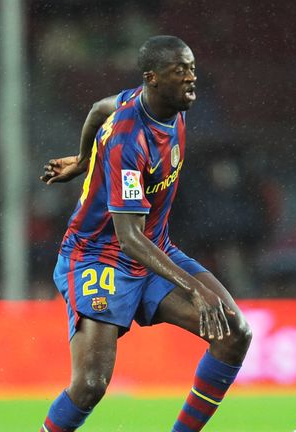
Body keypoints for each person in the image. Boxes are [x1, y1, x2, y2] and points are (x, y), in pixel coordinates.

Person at [38, 35, 251, 432]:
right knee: (90, 384)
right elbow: (128, 237)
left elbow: (99, 106)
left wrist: (83, 160)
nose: (191, 78)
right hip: (99, 255)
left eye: (192, 68)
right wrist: (195, 289)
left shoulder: (163, 104)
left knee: (234, 333)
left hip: (151, 250)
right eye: (179, 71)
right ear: (153, 78)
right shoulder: (128, 142)